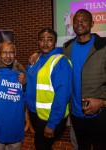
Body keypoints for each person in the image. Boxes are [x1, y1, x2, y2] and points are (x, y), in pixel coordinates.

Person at [63, 9, 106, 150]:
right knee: (83, 146)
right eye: (76, 21)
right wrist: (37, 55)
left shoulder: (103, 46)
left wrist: (102, 102)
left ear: (92, 23)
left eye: (84, 20)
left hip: (99, 114)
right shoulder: (67, 47)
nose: (79, 23)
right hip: (76, 113)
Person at [26, 27, 72, 150]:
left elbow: (62, 96)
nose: (45, 43)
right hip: (35, 113)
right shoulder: (35, 60)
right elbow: (31, 82)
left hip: (49, 116)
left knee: (41, 146)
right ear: (38, 42)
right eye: (42, 39)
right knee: (43, 145)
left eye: (50, 39)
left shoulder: (60, 62)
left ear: (55, 42)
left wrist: (52, 124)